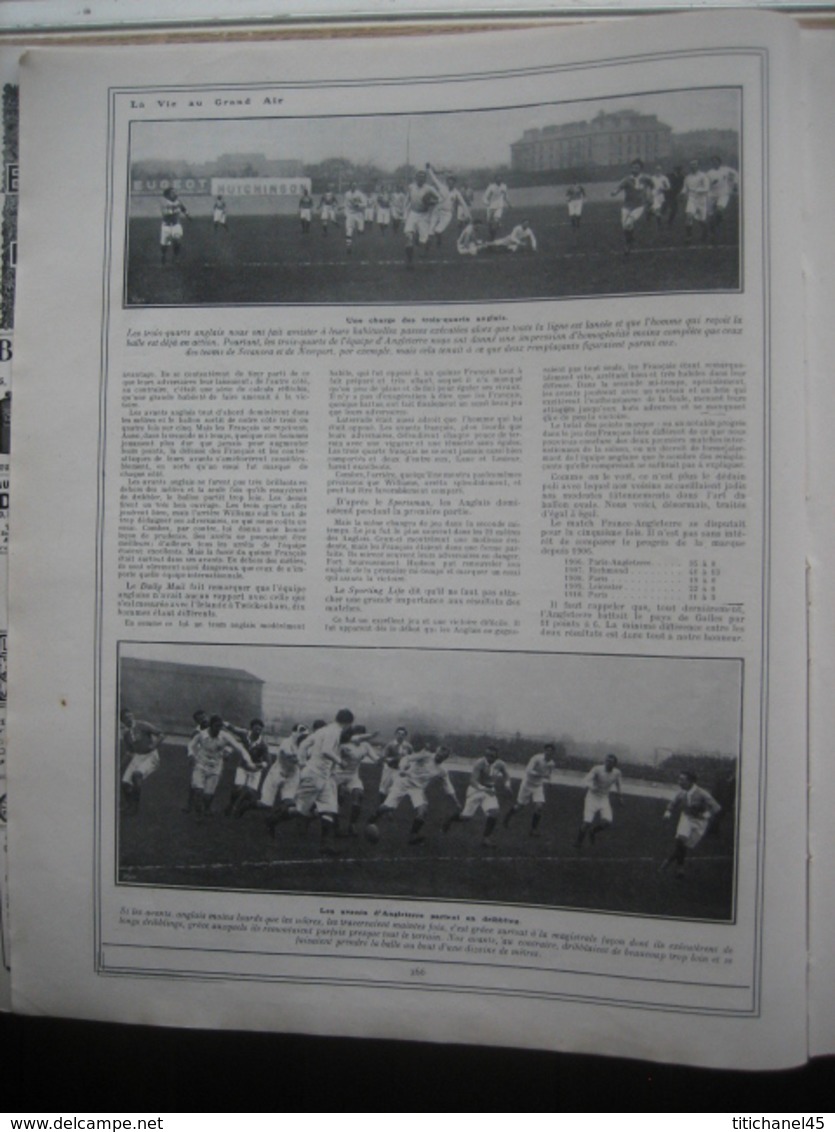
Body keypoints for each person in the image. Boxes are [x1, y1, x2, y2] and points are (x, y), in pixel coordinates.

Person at [369, 739, 460, 845]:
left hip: (417, 789)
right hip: (403, 782)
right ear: (437, 751)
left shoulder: (442, 770)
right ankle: (374, 817)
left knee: (423, 811)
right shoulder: (425, 756)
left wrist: (456, 801)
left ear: (446, 758)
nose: (439, 757)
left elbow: (448, 786)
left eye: (442, 757)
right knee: (388, 807)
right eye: (438, 754)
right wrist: (402, 769)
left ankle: (413, 836)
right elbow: (406, 758)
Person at [292, 708, 355, 854]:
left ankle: (326, 845)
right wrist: (340, 761)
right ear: (347, 723)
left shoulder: (324, 730)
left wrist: (302, 762)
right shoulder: (334, 731)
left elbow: (303, 744)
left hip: (323, 776)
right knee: (299, 810)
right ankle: (273, 820)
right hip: (314, 774)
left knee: (329, 808)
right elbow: (326, 750)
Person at [442, 745, 511, 847]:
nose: (489, 758)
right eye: (487, 755)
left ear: (497, 756)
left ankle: (486, 839)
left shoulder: (500, 764)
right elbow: (473, 780)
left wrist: (507, 784)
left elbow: (506, 774)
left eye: (492, 756)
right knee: (466, 817)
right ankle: (450, 819)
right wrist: (484, 789)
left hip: (490, 791)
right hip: (476, 790)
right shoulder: (480, 763)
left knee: (494, 813)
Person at [659, 771, 722, 878]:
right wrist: (668, 812)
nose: (679, 782)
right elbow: (673, 803)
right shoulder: (682, 792)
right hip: (686, 818)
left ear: (691, 781)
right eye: (679, 779)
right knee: (680, 840)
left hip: (700, 823)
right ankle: (680, 868)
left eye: (682, 780)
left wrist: (707, 814)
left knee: (685, 846)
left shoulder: (702, 793)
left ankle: (669, 860)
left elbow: (716, 807)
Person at [186, 714, 249, 819]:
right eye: (216, 726)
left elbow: (238, 747)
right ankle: (198, 814)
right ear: (210, 726)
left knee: (207, 795)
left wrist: (245, 759)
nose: (218, 729)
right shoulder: (201, 734)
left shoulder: (225, 736)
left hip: (215, 767)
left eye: (220, 726)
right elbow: (190, 744)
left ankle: (207, 808)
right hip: (200, 764)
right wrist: (191, 754)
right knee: (198, 791)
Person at [503, 743, 562, 836]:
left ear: (553, 753)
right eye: (547, 750)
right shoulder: (536, 758)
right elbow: (528, 770)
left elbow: (549, 774)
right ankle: (507, 817)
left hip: (538, 786)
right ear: (544, 751)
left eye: (551, 751)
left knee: (539, 807)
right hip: (527, 784)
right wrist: (541, 775)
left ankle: (533, 830)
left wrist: (550, 782)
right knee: (520, 806)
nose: (549, 753)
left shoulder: (551, 763)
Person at [334, 724, 380, 836]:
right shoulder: (344, 745)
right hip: (337, 775)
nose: (360, 737)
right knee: (338, 800)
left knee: (358, 795)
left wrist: (386, 759)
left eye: (362, 734)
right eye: (357, 734)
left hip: (353, 776)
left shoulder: (366, 746)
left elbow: (377, 760)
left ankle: (352, 825)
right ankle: (336, 827)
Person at [119, 709, 165, 815]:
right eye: (126, 718)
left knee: (137, 775)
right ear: (122, 721)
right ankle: (129, 805)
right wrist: (119, 766)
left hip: (150, 756)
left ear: (133, 715)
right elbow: (130, 752)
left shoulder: (142, 725)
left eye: (130, 716)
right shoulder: (126, 734)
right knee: (125, 783)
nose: (129, 719)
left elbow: (161, 734)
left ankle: (135, 806)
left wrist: (154, 745)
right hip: (138, 757)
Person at [225, 718, 271, 818]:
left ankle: (239, 809)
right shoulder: (245, 734)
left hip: (255, 769)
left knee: (250, 793)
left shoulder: (263, 743)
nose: (258, 731)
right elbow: (233, 729)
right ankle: (231, 805)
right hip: (243, 766)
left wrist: (262, 765)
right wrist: (225, 723)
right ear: (251, 728)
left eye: (260, 729)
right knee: (238, 788)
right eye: (256, 729)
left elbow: (268, 760)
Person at [575, 753, 622, 847]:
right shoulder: (597, 769)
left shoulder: (617, 773)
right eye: (607, 761)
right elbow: (585, 780)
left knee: (607, 822)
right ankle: (578, 842)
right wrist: (591, 786)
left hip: (604, 799)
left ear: (614, 764)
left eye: (611, 762)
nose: (608, 763)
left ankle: (593, 831)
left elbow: (618, 784)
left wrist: (620, 796)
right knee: (587, 822)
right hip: (592, 797)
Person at [610, 159, 653, 254]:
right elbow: (619, 188)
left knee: (629, 222)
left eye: (637, 168)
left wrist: (650, 196)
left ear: (641, 169)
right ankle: (631, 239)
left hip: (639, 206)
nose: (634, 169)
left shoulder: (646, 178)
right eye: (633, 167)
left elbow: (652, 186)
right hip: (627, 206)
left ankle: (628, 245)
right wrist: (614, 192)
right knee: (625, 226)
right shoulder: (627, 179)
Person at [404, 169, 439, 267]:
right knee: (408, 237)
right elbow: (407, 200)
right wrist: (405, 214)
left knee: (423, 241)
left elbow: (439, 199)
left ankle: (423, 246)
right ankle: (409, 262)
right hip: (413, 214)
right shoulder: (411, 187)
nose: (421, 179)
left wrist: (431, 201)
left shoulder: (429, 189)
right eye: (419, 177)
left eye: (423, 177)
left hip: (424, 216)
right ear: (416, 178)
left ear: (425, 179)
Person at [378, 726, 413, 804]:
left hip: (399, 771)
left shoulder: (408, 746)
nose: (400, 736)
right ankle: (380, 805)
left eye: (403, 734)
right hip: (389, 769)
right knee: (383, 789)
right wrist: (395, 759)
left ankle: (388, 809)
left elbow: (412, 759)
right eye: (399, 734)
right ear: (395, 734)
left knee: (395, 790)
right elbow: (383, 757)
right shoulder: (390, 745)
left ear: (405, 736)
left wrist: (408, 766)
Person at [707, 155, 738, 234]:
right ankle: (712, 228)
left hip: (723, 194)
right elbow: (706, 185)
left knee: (719, 211)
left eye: (716, 161)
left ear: (719, 162)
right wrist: (711, 184)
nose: (714, 163)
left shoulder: (726, 170)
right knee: (710, 215)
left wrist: (735, 185)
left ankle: (717, 222)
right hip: (712, 195)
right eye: (713, 161)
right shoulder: (709, 173)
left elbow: (735, 175)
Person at [681, 158, 711, 243]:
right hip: (691, 199)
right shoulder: (687, 177)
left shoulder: (703, 176)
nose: (693, 166)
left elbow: (706, 188)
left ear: (698, 165)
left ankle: (706, 232)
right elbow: (685, 188)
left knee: (701, 220)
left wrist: (697, 190)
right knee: (688, 216)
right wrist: (682, 193)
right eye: (691, 165)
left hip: (701, 200)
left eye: (695, 164)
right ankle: (689, 236)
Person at [159, 186, 189, 264]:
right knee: (164, 245)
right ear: (168, 194)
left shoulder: (178, 201)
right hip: (166, 226)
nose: (175, 193)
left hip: (176, 225)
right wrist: (175, 210)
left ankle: (176, 257)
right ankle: (163, 255)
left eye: (175, 192)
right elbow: (166, 213)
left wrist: (187, 215)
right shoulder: (164, 202)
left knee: (177, 240)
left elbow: (183, 208)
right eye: (173, 192)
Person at [342, 183, 367, 255]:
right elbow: (345, 203)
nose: (353, 187)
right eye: (352, 186)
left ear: (356, 187)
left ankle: (359, 239)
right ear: (350, 187)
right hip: (350, 215)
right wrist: (344, 211)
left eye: (354, 186)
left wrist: (359, 205)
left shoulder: (360, 194)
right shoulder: (347, 194)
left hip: (359, 214)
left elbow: (365, 204)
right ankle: (348, 247)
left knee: (360, 230)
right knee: (349, 231)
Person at [483, 175, 510, 239]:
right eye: (498, 179)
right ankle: (491, 233)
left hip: (499, 206)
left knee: (496, 221)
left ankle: (493, 236)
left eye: (500, 179)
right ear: (495, 180)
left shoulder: (504, 186)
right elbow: (485, 197)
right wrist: (486, 203)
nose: (499, 181)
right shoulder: (491, 187)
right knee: (489, 222)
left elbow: (505, 196)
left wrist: (509, 203)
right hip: (491, 206)